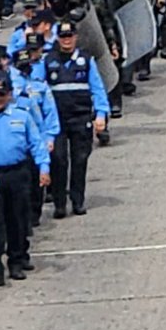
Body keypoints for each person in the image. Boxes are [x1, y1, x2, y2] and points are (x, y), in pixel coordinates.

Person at [0, 77, 50, 288]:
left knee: (18, 219)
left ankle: (16, 261)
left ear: (10, 94)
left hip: (18, 173)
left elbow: (36, 144)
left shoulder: (22, 117)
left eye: (1, 94)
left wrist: (44, 168)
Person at [42, 18, 109, 217]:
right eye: (62, 37)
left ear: (75, 37)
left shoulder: (86, 61)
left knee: (80, 159)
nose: (66, 40)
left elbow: (97, 89)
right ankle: (60, 203)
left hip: (81, 117)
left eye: (69, 36)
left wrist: (101, 114)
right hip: (57, 120)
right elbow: (39, 90)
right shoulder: (48, 61)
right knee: (59, 160)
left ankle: (78, 200)